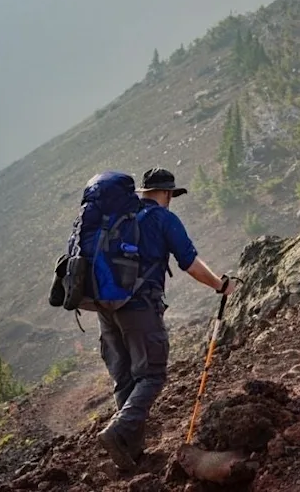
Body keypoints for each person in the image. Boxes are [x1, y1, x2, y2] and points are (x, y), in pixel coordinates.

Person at [96, 167, 239, 471]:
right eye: (171, 195)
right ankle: (117, 431)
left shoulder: (117, 218)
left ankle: (131, 453)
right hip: (139, 307)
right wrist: (220, 285)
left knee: (126, 378)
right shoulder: (163, 218)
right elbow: (190, 262)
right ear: (166, 194)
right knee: (152, 375)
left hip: (105, 308)